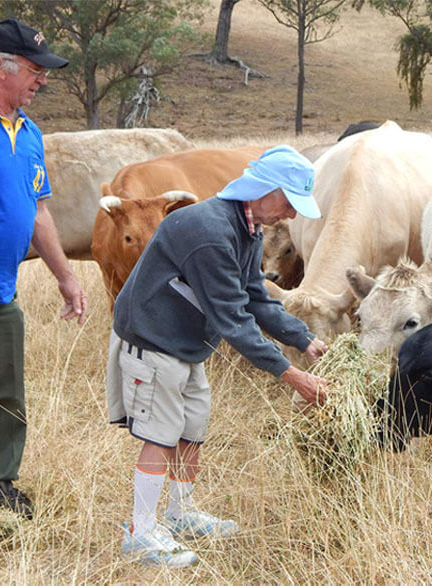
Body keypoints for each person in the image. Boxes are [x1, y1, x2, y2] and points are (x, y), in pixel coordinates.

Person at [106, 145, 330, 568]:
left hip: (187, 342)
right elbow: (233, 319)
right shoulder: (208, 230)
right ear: (265, 190)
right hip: (154, 337)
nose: (292, 215)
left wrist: (303, 339)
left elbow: (255, 298)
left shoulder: (247, 230)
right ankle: (140, 530)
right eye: (289, 202)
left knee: (191, 425)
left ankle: (181, 512)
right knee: (160, 432)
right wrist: (293, 376)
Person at [0, 19, 88, 519]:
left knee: (2, 397)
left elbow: (38, 212)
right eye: (36, 70)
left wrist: (66, 277)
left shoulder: (30, 133)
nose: (42, 80)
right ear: (0, 68)